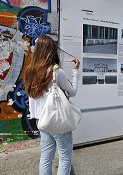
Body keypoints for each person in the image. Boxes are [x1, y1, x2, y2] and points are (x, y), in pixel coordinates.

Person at [23, 35, 80, 175]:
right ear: (51, 51)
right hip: (56, 119)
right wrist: (75, 70)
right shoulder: (55, 71)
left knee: (46, 157)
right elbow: (72, 92)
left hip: (41, 121)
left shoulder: (30, 71)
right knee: (65, 157)